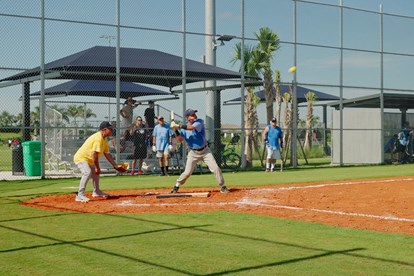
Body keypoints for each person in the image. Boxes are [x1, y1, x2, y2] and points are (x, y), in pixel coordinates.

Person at [170, 108, 229, 193]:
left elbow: (190, 128)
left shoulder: (199, 122)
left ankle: (223, 186)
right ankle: (176, 186)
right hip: (193, 153)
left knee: (215, 168)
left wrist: (178, 125)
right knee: (187, 173)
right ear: (187, 117)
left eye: (194, 114)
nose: (195, 116)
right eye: (192, 115)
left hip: (205, 151)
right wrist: (175, 130)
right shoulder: (183, 129)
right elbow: (180, 139)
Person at [73, 121, 119, 202]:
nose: (112, 130)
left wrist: (115, 165)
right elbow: (94, 154)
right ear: (104, 130)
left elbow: (107, 154)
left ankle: (96, 191)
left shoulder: (104, 140)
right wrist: (97, 167)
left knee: (95, 173)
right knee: (87, 172)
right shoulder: (98, 138)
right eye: (110, 129)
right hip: (81, 158)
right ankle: (80, 195)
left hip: (88, 159)